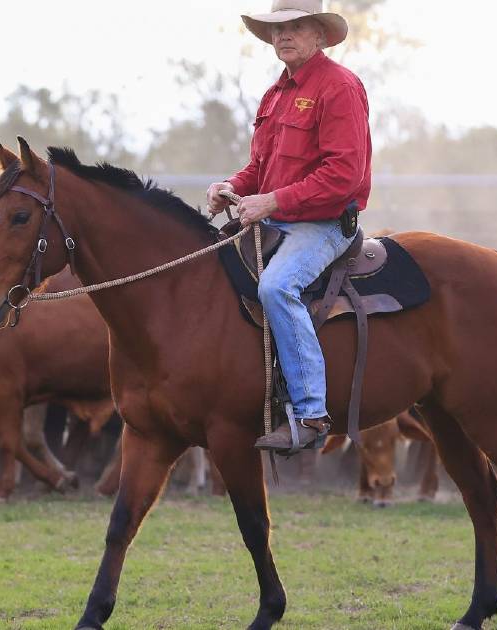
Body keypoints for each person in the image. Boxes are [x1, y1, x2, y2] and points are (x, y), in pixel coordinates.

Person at [206, 0, 372, 453]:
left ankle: (310, 414)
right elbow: (261, 168)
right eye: (277, 28)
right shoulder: (274, 94)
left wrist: (273, 201)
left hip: (323, 224)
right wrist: (231, 185)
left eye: (296, 27)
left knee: (277, 287)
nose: (284, 36)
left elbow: (344, 175)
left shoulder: (339, 87)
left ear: (319, 35)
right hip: (276, 218)